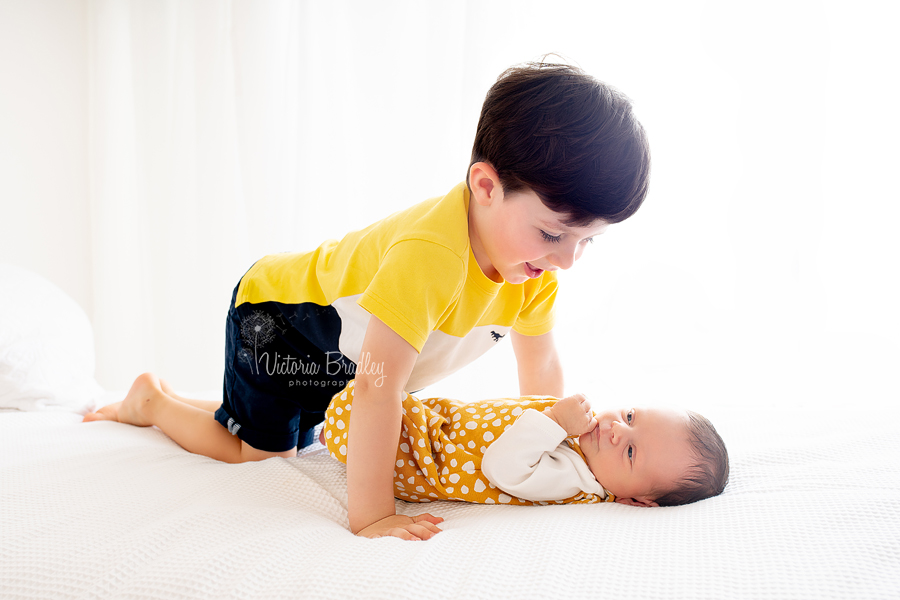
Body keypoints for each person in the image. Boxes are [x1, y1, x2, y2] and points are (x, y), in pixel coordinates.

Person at [83, 60, 652, 541]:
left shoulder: (534, 267)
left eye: (588, 241)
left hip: (351, 355)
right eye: (555, 234)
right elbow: (381, 390)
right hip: (281, 320)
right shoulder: (430, 258)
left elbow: (541, 366)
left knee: (316, 435)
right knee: (264, 454)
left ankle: (183, 402)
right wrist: (373, 516)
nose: (568, 260)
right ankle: (150, 401)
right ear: (485, 186)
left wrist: (559, 441)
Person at [323, 381, 729, 508]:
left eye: (629, 452)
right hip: (433, 424)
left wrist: (553, 421)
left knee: (359, 416)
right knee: (376, 390)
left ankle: (328, 433)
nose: (616, 431)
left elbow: (504, 468)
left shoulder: (576, 481)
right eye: (630, 417)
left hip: (418, 456)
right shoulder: (585, 443)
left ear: (636, 501)